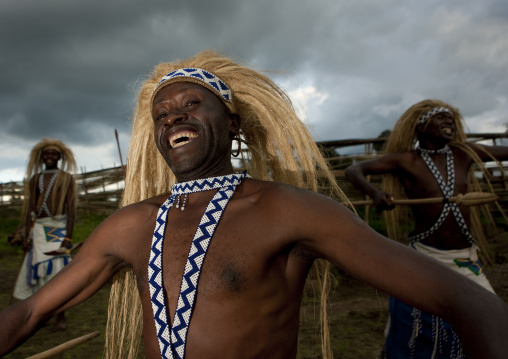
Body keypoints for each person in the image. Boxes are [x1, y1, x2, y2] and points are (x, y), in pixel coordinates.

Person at [1, 53, 508, 359]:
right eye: (161, 113)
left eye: (191, 104)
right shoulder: (130, 225)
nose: (173, 115)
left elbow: (467, 302)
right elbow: (26, 316)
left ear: (234, 123)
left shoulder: (289, 211)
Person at [345, 99, 508, 358]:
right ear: (422, 126)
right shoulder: (407, 161)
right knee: (412, 328)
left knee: (492, 317)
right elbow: (354, 170)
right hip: (424, 257)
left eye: (451, 119)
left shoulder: (463, 153)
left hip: (465, 259)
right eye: (441, 118)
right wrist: (375, 193)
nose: (449, 122)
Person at [10, 138, 78, 332]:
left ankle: (61, 317)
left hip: (56, 228)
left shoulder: (65, 178)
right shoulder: (35, 179)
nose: (49, 156)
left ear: (59, 157)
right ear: (41, 158)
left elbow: (71, 210)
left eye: (53, 153)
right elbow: (31, 211)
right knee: (38, 272)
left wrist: (67, 238)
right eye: (46, 153)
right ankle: (42, 315)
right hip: (38, 229)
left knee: (57, 272)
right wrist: (26, 236)